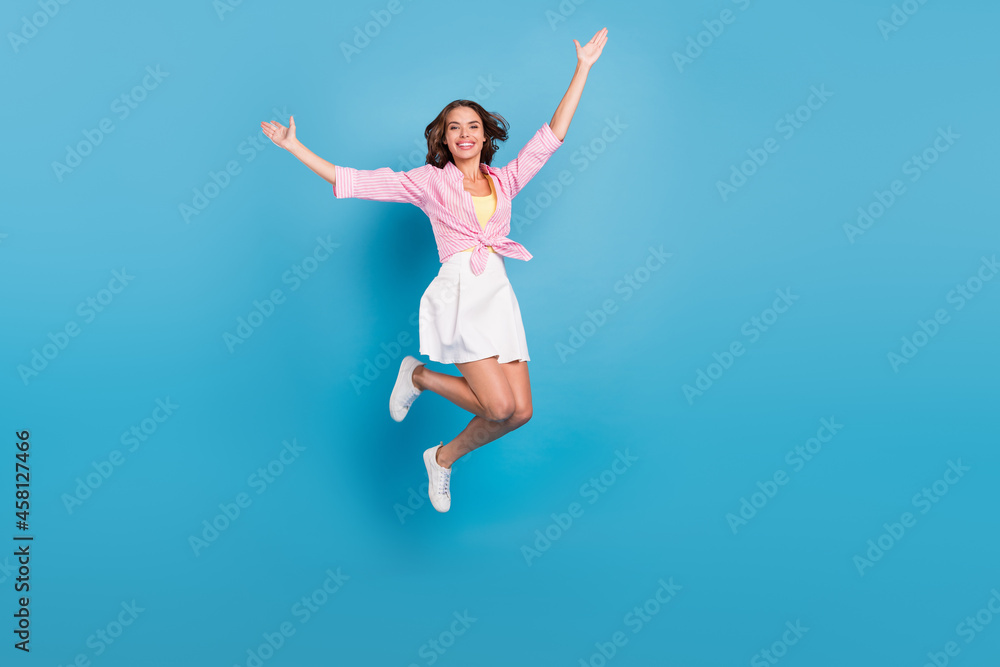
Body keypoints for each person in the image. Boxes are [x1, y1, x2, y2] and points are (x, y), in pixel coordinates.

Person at [261, 27, 608, 513]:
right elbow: (357, 181)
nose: (464, 134)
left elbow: (552, 138)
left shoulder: (504, 181)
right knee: (499, 406)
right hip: (461, 291)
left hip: (498, 293)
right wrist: (295, 148)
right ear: (443, 138)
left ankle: (441, 458)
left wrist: (583, 69)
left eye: (472, 126)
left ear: (485, 135)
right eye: (454, 128)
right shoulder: (429, 183)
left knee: (521, 413)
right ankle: (419, 376)